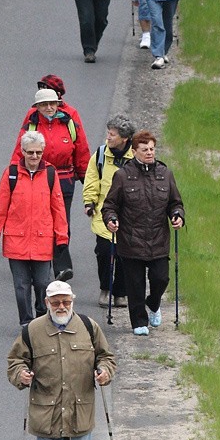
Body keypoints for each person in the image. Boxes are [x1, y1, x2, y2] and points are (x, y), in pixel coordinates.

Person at [7, 280, 116, 440]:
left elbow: (106, 357)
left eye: (65, 302)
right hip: (46, 410)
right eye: (55, 302)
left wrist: (104, 372)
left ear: (72, 301)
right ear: (47, 303)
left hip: (80, 408)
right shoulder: (32, 331)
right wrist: (21, 375)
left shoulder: (89, 327)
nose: (61, 306)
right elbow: (15, 361)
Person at [102, 130, 184, 335]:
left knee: (160, 278)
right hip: (131, 240)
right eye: (144, 149)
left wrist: (177, 215)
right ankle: (139, 321)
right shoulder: (122, 176)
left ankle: (153, 304)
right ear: (134, 151)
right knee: (135, 284)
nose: (149, 153)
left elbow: (175, 203)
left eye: (152, 149)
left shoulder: (165, 174)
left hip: (158, 239)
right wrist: (111, 220)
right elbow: (109, 205)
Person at [0, 132, 69, 326]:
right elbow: (0, 207)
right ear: (22, 152)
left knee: (42, 283)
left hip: (42, 240)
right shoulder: (11, 173)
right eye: (30, 152)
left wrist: (62, 239)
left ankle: (41, 316)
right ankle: (26, 322)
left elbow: (58, 208)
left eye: (38, 152)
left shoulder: (50, 173)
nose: (34, 156)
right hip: (16, 239)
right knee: (21, 286)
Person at [11, 87, 90, 279]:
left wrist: (86, 177)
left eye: (52, 103)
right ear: (37, 107)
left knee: (63, 224)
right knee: (42, 223)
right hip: (38, 181)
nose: (49, 107)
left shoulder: (69, 123)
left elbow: (81, 149)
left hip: (64, 181)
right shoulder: (31, 125)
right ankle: (42, 265)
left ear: (58, 104)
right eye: (44, 104)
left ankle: (61, 268)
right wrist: (14, 176)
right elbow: (20, 151)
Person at [82, 114, 136, 308]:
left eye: (112, 134)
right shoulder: (100, 155)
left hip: (130, 217)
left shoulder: (136, 157)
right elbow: (91, 179)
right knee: (104, 253)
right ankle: (106, 288)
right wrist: (89, 202)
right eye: (108, 133)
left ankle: (121, 292)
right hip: (104, 214)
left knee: (124, 256)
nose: (108, 137)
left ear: (124, 138)